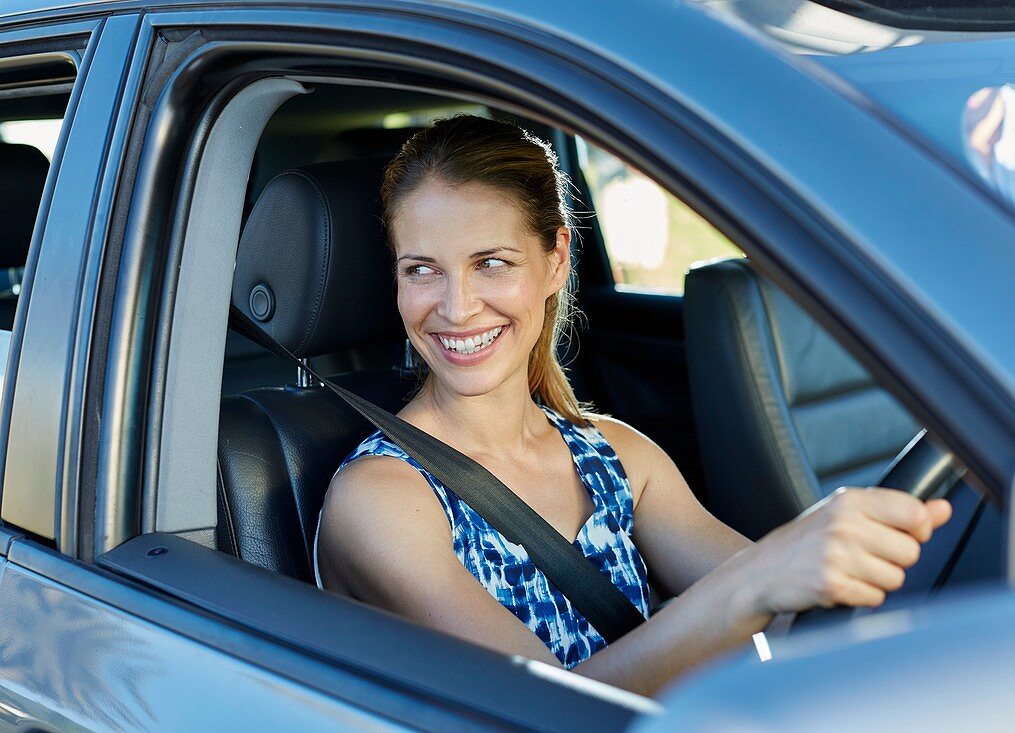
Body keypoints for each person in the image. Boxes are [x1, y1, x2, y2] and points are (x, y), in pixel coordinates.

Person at [313, 114, 952, 696]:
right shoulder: (383, 499)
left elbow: (796, 614)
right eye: (422, 269)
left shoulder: (616, 455)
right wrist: (751, 586)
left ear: (556, 260)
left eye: (492, 263)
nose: (456, 308)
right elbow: (547, 710)